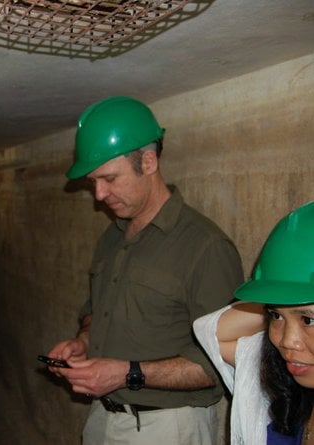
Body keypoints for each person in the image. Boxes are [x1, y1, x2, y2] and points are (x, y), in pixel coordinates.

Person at [46, 96, 244, 444]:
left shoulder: (206, 247)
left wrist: (128, 374)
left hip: (169, 427)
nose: (99, 194)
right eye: (94, 181)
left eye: (109, 178)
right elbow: (96, 311)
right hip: (104, 415)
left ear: (148, 162)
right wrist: (82, 342)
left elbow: (225, 361)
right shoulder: (113, 235)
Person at [194, 201, 314, 445]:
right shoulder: (288, 400)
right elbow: (210, 331)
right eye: (275, 316)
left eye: (308, 320)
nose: (286, 341)